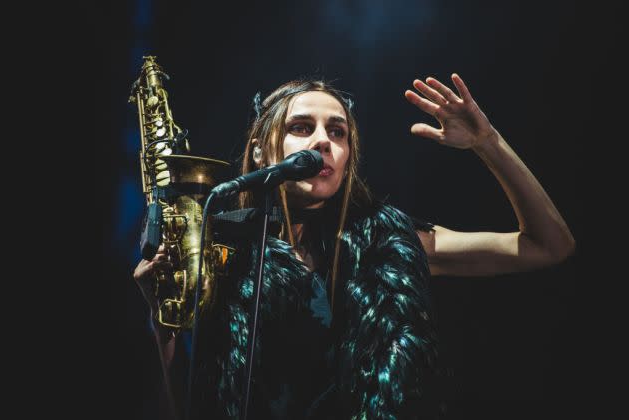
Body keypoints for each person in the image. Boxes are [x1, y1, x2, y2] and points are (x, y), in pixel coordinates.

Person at [133, 74, 575, 419]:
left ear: (348, 159)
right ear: (262, 152)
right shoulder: (220, 255)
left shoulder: (391, 241)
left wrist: (488, 144)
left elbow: (549, 245)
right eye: (301, 127)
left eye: (338, 132)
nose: (323, 141)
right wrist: (163, 329)